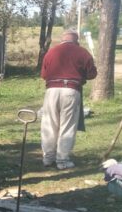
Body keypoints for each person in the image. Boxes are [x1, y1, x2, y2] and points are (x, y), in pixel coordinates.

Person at [40, 30, 97, 170]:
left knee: (49, 124)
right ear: (76, 41)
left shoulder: (51, 52)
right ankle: (62, 160)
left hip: (51, 90)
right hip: (71, 90)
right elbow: (92, 74)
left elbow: (44, 74)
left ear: (62, 40)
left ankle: (48, 158)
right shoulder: (82, 52)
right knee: (67, 126)